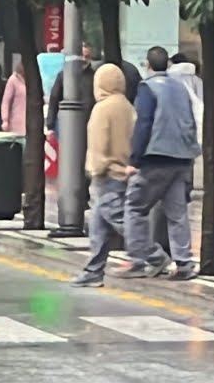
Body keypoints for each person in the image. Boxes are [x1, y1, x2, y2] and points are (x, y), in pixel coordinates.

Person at [119, 46, 202, 280]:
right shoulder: (181, 88)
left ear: (147, 64)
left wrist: (135, 160)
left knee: (135, 207)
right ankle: (184, 263)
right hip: (182, 157)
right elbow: (191, 119)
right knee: (177, 213)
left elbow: (144, 123)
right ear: (167, 64)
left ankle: (140, 259)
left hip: (156, 157)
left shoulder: (147, 88)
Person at [70, 63, 136, 287]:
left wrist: (96, 169)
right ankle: (93, 271)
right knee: (99, 227)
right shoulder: (128, 107)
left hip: (107, 174)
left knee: (121, 220)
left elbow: (98, 143)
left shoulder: (102, 109)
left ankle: (153, 255)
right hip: (124, 171)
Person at [0, 59, 27, 134]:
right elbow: (6, 101)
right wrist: (5, 120)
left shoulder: (33, 79)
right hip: (16, 121)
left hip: (31, 120)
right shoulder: (13, 79)